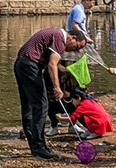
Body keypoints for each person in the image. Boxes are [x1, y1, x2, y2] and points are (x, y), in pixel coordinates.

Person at [13, 25, 76, 160]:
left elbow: (52, 63)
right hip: (30, 65)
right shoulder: (60, 40)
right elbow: (52, 65)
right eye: (77, 47)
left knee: (29, 106)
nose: (74, 50)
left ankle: (34, 144)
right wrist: (57, 88)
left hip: (21, 63)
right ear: (72, 38)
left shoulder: (55, 34)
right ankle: (38, 146)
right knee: (41, 106)